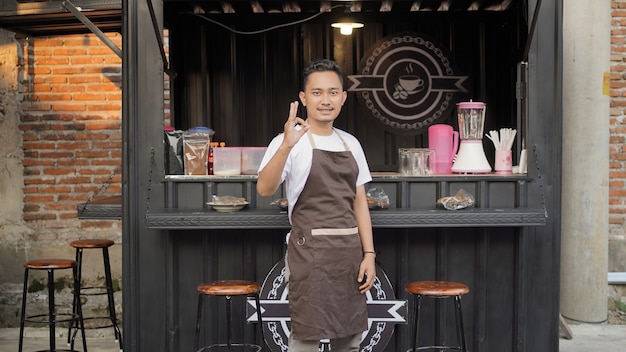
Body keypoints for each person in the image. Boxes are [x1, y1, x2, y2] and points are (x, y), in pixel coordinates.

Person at [257, 59, 376, 352]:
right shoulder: (287, 142)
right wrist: (286, 145)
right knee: (305, 339)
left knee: (349, 339)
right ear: (303, 98)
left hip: (347, 253)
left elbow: (359, 201)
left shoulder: (351, 143)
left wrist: (369, 254)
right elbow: (264, 189)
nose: (326, 100)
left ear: (343, 98)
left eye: (333, 92)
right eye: (318, 92)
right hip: (309, 254)